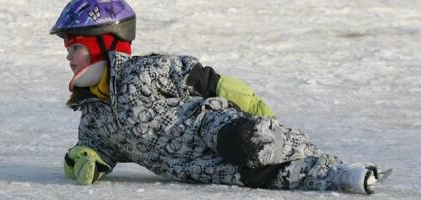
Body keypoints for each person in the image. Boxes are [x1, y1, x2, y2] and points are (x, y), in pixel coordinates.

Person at [50, 0, 391, 194]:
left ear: (103, 44)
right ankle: (347, 176)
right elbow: (96, 151)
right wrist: (84, 161)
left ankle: (283, 142)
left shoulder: (143, 72)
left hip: (214, 126)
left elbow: (208, 81)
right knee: (267, 176)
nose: (68, 58)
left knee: (247, 143)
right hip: (199, 168)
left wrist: (253, 107)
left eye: (75, 47)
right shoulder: (93, 117)